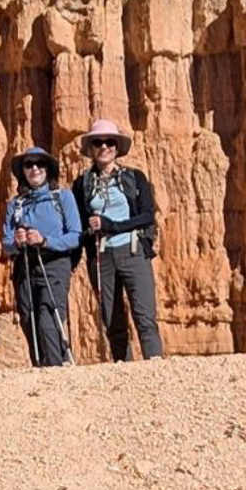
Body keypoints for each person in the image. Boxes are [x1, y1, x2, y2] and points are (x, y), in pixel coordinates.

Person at [74, 119, 163, 361]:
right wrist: (89, 233)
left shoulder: (135, 177)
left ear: (116, 147)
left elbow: (146, 216)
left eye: (109, 142)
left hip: (132, 250)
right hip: (102, 256)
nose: (104, 147)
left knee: (144, 316)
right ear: (91, 148)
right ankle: (124, 372)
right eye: (98, 142)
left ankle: (156, 369)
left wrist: (112, 225)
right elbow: (79, 224)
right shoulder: (82, 184)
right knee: (113, 322)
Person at [0, 147, 79, 367]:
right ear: (22, 171)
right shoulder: (14, 204)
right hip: (24, 266)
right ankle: (42, 366)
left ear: (48, 169)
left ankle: (55, 368)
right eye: (29, 165)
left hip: (54, 263)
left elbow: (74, 236)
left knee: (48, 317)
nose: (35, 168)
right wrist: (17, 241)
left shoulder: (62, 197)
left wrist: (45, 241)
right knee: (29, 318)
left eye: (40, 164)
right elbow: (5, 244)